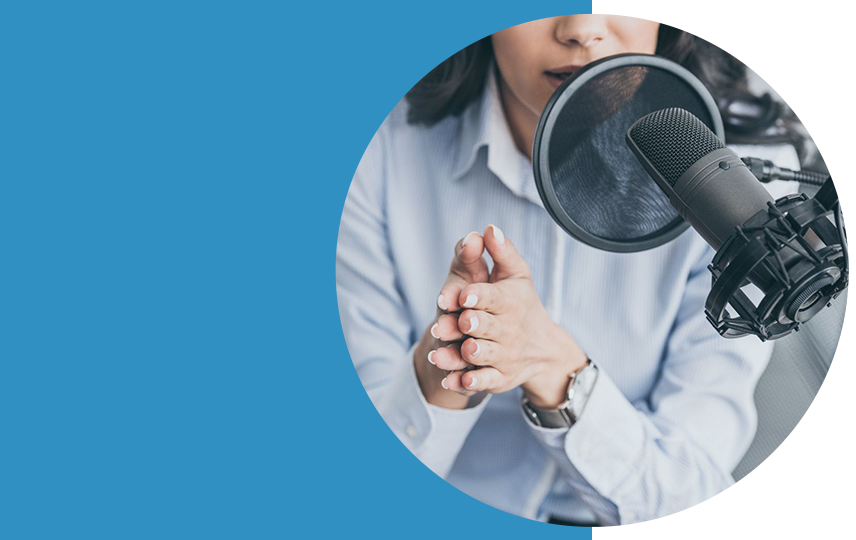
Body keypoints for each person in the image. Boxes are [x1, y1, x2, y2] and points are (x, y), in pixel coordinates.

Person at [336, 15, 803, 526]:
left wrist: (557, 370)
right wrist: (448, 360)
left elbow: (688, 489)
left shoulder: (744, 180)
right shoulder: (378, 146)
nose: (582, 29)